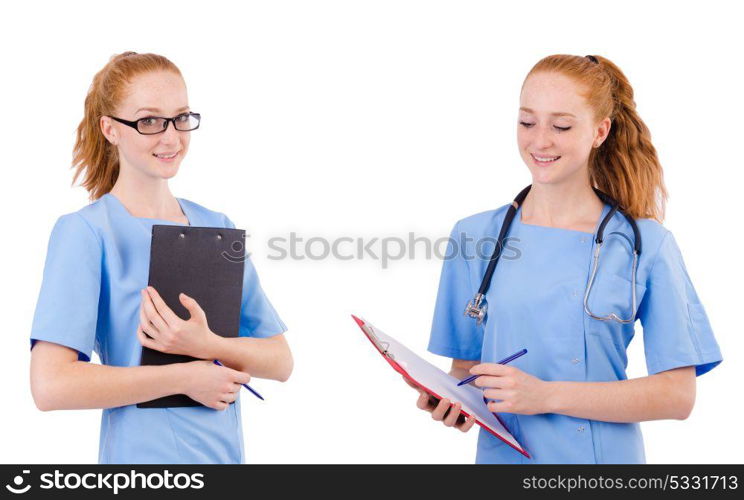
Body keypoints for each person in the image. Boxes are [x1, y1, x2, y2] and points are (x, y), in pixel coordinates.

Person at [410, 54, 722, 463]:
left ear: (599, 131)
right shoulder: (473, 237)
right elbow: (466, 370)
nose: (540, 141)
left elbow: (677, 396)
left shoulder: (644, 243)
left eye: (561, 125)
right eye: (526, 122)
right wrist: (453, 399)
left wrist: (546, 396)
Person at [29, 52, 293, 464]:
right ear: (111, 129)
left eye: (181, 117)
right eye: (150, 121)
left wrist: (207, 343)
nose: (171, 138)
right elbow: (50, 385)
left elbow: (280, 361)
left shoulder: (216, 226)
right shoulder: (87, 232)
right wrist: (186, 376)